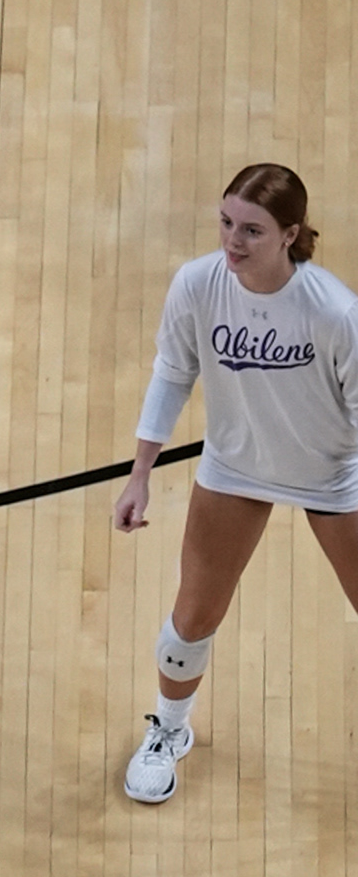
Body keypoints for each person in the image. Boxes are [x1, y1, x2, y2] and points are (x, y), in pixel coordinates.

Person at [114, 163, 358, 802]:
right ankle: (169, 731)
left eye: (252, 230)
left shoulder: (335, 312)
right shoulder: (198, 285)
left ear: (290, 235)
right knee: (193, 614)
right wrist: (139, 475)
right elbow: (173, 372)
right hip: (236, 469)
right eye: (226, 222)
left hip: (331, 477)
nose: (232, 240)